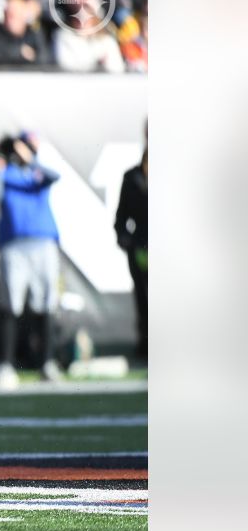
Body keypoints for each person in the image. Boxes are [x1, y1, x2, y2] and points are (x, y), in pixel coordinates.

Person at [0, 132, 62, 388]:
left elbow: (55, 176)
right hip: (14, 245)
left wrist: (29, 159)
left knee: (46, 303)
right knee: (11, 305)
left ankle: (46, 363)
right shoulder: (4, 173)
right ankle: (7, 365)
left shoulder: (36, 172)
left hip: (43, 243)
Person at [115, 130, 147, 359]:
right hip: (142, 247)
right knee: (144, 296)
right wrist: (125, 239)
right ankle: (145, 344)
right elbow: (121, 216)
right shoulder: (132, 177)